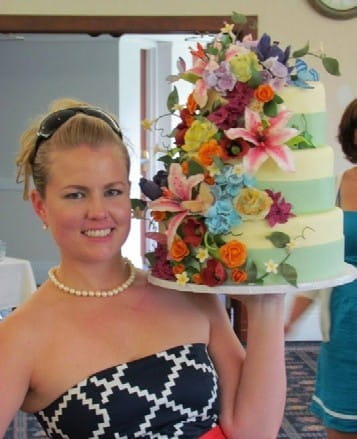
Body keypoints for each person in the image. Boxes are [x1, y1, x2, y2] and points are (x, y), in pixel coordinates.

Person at [0, 98, 286, 439]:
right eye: (75, 195)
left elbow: (254, 431)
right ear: (40, 206)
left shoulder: (185, 292)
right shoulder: (22, 336)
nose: (98, 211)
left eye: (113, 191)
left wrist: (269, 306)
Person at [285, 98, 357, 439]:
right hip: (344, 324)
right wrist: (293, 315)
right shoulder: (344, 182)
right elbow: (326, 257)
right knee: (341, 424)